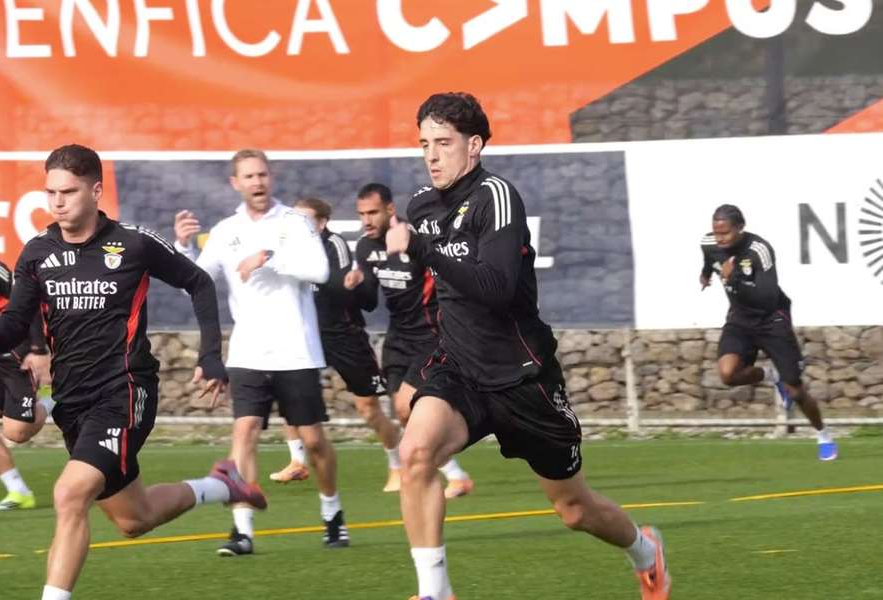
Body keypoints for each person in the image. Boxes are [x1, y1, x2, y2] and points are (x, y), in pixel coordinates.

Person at [386, 93, 670, 600]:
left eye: (443, 143)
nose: (431, 155)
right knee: (415, 452)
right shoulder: (420, 206)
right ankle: (435, 591)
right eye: (424, 143)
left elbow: (495, 286)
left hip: (524, 380)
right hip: (462, 373)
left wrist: (423, 247)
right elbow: (435, 296)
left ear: (473, 146)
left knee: (574, 510)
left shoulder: (497, 196)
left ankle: (646, 552)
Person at [0, 144, 265, 600]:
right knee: (135, 518)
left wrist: (211, 356)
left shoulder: (132, 243)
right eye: (50, 192)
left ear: (95, 191)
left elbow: (198, 281)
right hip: (73, 403)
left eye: (68, 192)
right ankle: (221, 486)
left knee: (69, 494)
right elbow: (13, 324)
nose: (57, 202)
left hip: (125, 391)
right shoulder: (37, 252)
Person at [174, 149, 350, 556]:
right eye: (249, 176)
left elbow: (319, 271)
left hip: (295, 352)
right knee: (244, 433)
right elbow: (197, 282)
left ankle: (332, 512)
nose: (257, 182)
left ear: (272, 178)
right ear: (236, 183)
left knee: (314, 441)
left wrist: (270, 257)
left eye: (262, 175)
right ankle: (242, 531)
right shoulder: (226, 230)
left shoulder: (295, 223)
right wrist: (182, 248)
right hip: (248, 352)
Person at [269, 197, 399, 492]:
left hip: (343, 335)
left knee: (368, 408)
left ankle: (397, 464)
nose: (298, 225)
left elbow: (338, 283)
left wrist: (339, 281)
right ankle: (297, 462)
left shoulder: (334, 243)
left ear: (322, 223)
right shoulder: (288, 246)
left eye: (306, 219)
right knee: (289, 394)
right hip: (305, 336)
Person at [352, 183, 473, 498]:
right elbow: (368, 302)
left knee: (408, 405)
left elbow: (449, 277)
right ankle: (456, 475)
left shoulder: (414, 239)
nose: (367, 220)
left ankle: (430, 471)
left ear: (390, 210)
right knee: (402, 411)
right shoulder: (365, 248)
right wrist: (353, 285)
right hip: (398, 337)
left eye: (373, 212)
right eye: (362, 214)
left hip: (430, 335)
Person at [700, 204, 837, 461]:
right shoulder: (709, 242)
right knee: (727, 374)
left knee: (795, 389)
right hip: (740, 319)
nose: (719, 239)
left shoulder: (759, 250)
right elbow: (709, 257)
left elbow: (767, 296)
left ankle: (823, 434)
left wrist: (734, 278)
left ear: (740, 228)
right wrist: (706, 274)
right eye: (716, 233)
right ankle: (771, 374)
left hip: (771, 320)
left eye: (725, 233)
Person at [0, 254, 53, 511]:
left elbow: (28, 304)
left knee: (17, 433)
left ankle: (55, 398)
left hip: (14, 355)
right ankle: (19, 492)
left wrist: (37, 349)